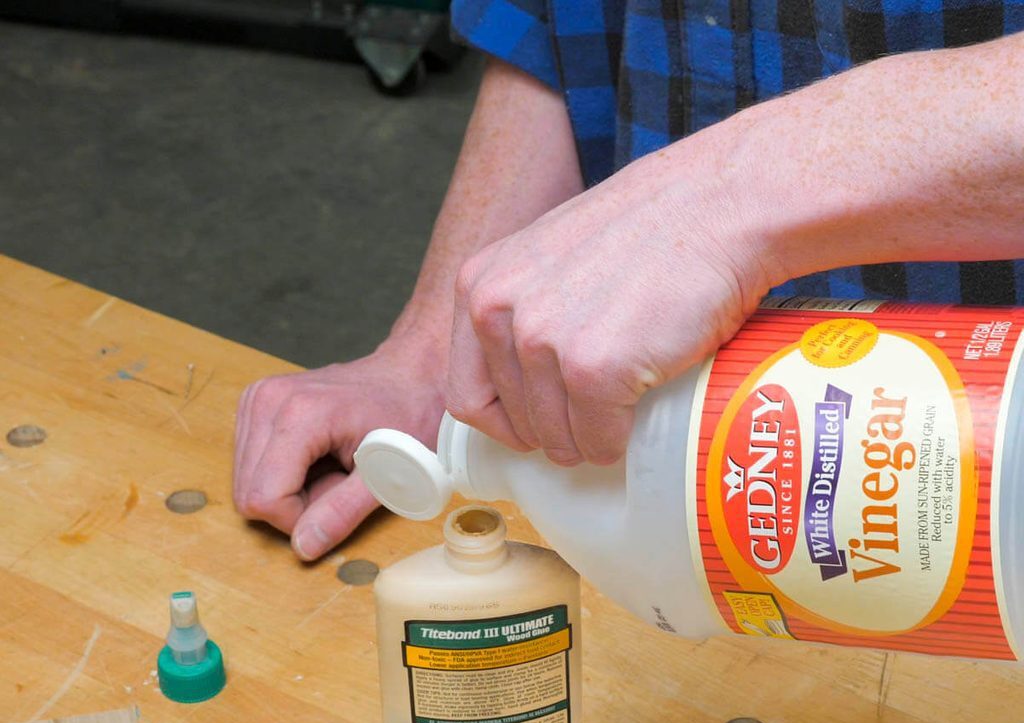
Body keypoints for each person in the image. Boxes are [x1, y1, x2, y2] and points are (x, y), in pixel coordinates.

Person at [234, 0, 1024, 560]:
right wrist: (433, 358)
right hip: (704, 499)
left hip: (992, 474)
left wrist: (726, 194)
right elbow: (565, 22)